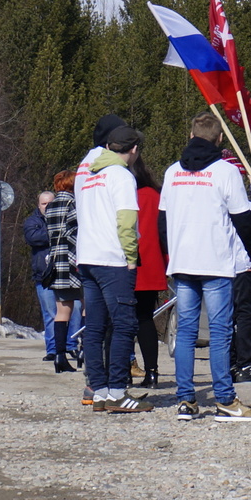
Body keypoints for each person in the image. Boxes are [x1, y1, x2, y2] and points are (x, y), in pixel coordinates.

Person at [159, 113, 251, 421]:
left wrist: (171, 255)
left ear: (190, 135)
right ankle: (224, 400)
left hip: (183, 262)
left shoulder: (172, 172)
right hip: (215, 262)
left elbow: (162, 221)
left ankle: (186, 401)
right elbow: (242, 218)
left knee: (186, 332)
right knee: (219, 332)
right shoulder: (225, 172)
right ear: (220, 139)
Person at [74, 126, 147, 412]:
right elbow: (127, 220)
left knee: (94, 327)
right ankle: (117, 391)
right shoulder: (121, 176)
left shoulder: (89, 173)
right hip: (112, 259)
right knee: (124, 324)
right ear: (133, 150)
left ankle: (100, 391)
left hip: (87, 257)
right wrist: (131, 256)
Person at [221, 146, 251, 384]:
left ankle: (227, 364)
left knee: (225, 316)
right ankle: (244, 364)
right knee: (244, 314)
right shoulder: (237, 200)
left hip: (220, 266)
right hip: (239, 266)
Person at [131, 152, 166, 390]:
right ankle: (152, 372)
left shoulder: (123, 195)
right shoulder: (155, 195)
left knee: (120, 322)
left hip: (127, 263)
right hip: (151, 264)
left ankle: (122, 370)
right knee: (145, 320)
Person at [43, 170, 81, 377]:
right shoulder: (72, 204)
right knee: (86, 306)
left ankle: (59, 355)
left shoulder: (50, 207)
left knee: (62, 311)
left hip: (57, 263)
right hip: (73, 263)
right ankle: (83, 351)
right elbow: (75, 234)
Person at [24, 191, 58, 362]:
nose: (47, 206)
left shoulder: (64, 218)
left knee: (74, 312)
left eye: (51, 203)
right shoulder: (32, 222)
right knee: (50, 313)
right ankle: (52, 349)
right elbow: (33, 238)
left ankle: (71, 346)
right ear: (39, 205)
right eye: (44, 204)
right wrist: (56, 231)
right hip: (43, 275)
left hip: (64, 273)